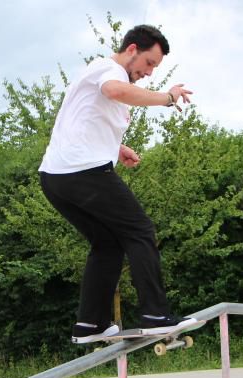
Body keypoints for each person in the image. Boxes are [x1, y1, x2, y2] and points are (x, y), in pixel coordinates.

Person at [39, 24, 198, 344]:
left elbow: (82, 119)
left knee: (108, 243)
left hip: (56, 178)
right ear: (131, 50)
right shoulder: (107, 68)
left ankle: (90, 324)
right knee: (139, 231)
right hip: (82, 172)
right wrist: (167, 97)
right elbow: (114, 90)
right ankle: (155, 315)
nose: (149, 73)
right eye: (149, 63)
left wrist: (116, 148)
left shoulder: (102, 76)